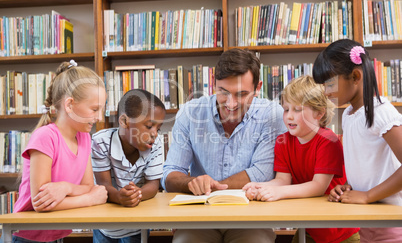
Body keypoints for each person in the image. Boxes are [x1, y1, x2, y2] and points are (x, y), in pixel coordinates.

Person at [162, 48, 287, 243]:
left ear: (258, 87)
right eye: (224, 92)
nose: (231, 103)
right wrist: (190, 183)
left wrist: (213, 188)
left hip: (251, 218)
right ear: (213, 84)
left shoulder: (273, 115)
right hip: (199, 217)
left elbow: (262, 173)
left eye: (242, 94)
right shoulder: (190, 112)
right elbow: (170, 175)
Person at [243, 75, 360, 243]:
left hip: (340, 232)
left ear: (319, 113)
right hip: (310, 227)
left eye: (297, 110)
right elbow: (282, 180)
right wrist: (260, 186)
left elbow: (318, 187)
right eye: (286, 109)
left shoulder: (328, 141)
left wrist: (278, 192)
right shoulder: (282, 141)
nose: (289, 116)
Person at [313, 39, 402, 242]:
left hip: (391, 223)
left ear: (355, 76)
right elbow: (365, 164)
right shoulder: (349, 114)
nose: (326, 92)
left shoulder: (381, 112)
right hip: (367, 221)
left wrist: (368, 195)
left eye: (329, 84)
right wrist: (346, 186)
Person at [11, 61, 108, 243]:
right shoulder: (45, 137)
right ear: (69, 105)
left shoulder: (85, 138)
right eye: (94, 109)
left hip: (57, 234)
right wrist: (91, 199)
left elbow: (87, 186)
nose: (99, 117)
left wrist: (66, 188)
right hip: (27, 235)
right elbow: (42, 203)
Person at [91, 89, 166, 243]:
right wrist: (119, 197)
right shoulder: (101, 142)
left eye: (158, 129)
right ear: (124, 121)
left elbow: (153, 185)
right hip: (104, 226)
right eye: (149, 126)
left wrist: (137, 194)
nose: (155, 134)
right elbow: (103, 185)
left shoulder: (156, 144)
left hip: (139, 227)